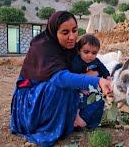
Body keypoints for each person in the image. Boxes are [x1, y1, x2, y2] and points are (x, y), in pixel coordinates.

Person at [10, 11, 112, 146]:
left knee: (93, 91)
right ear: (54, 31)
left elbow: (91, 66)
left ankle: (76, 120)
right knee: (61, 86)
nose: (72, 37)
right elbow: (60, 78)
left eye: (75, 30)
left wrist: (103, 78)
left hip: (55, 87)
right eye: (65, 32)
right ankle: (49, 126)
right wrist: (96, 80)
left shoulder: (72, 48)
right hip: (31, 96)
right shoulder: (42, 47)